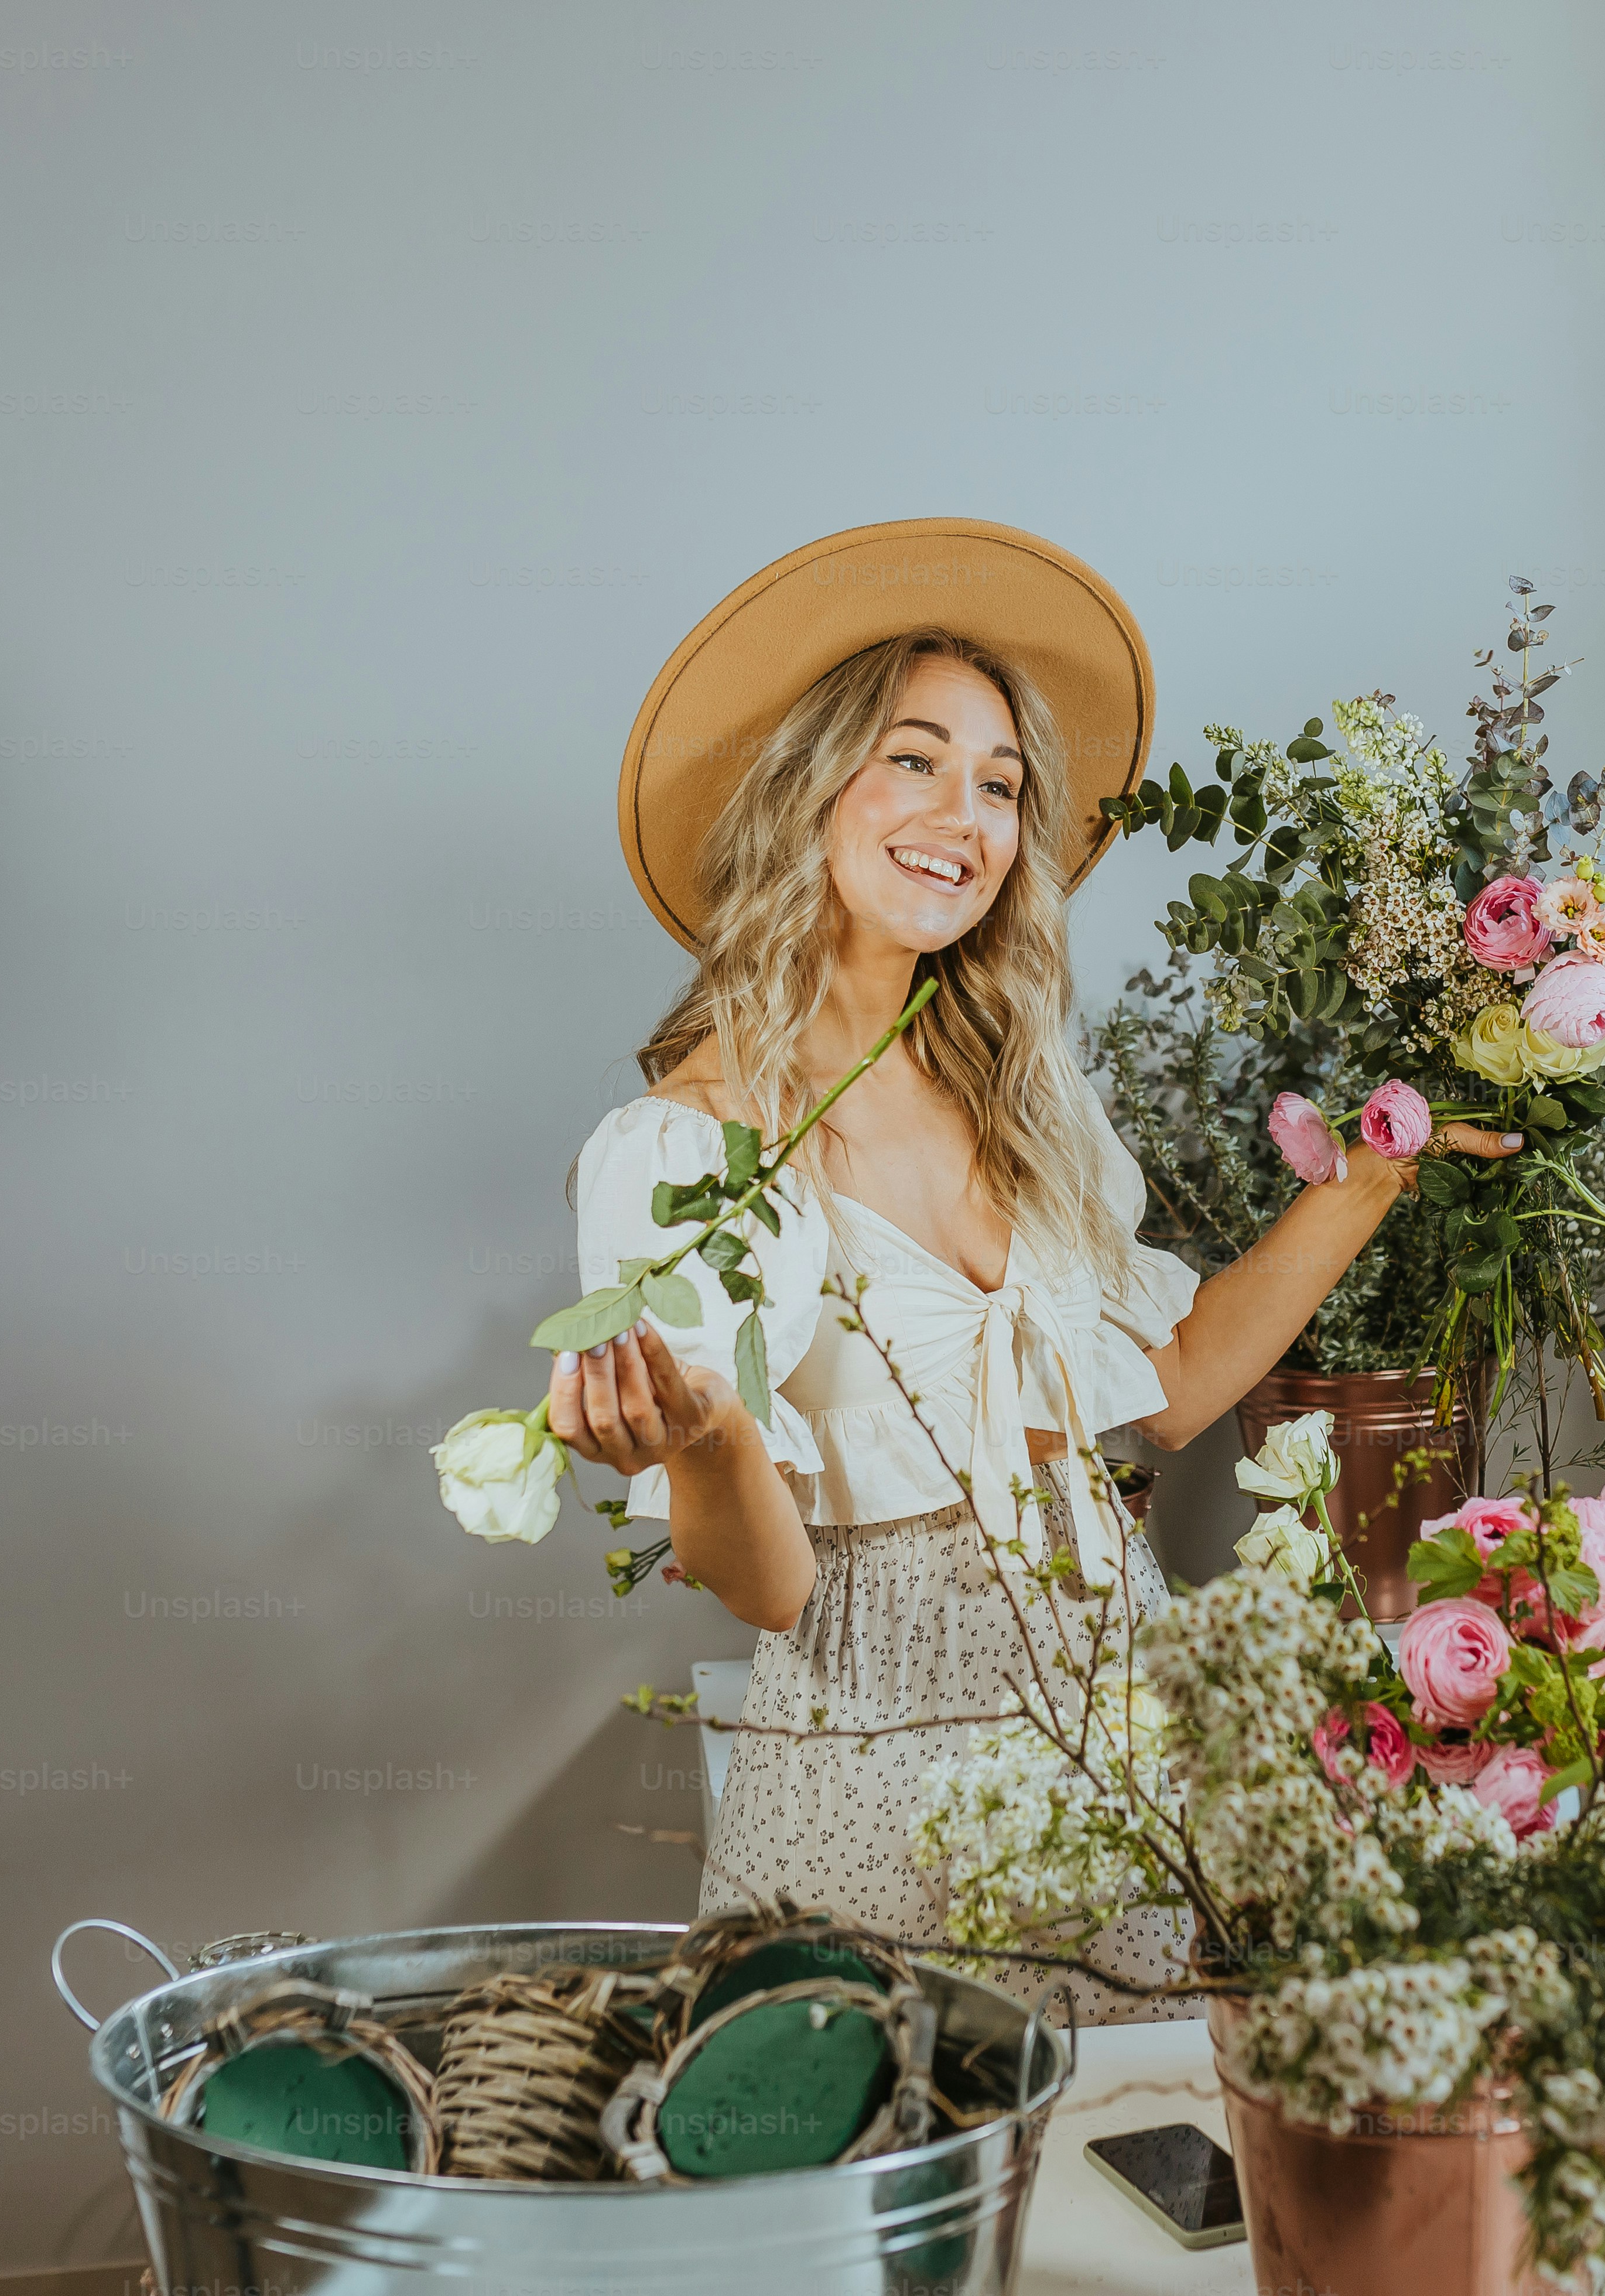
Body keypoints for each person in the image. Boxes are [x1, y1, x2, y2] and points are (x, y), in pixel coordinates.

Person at [547, 521, 1515, 2000]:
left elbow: (1177, 1389)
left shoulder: (1024, 1085)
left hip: (1114, 1734)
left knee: (1107, 2168)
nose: (968, 813)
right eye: (914, 759)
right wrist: (711, 1435)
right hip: (869, 1760)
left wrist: (1368, 1178)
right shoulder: (683, 1153)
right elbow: (766, 1587)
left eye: (1000, 783)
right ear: (811, 789)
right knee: (887, 2184)